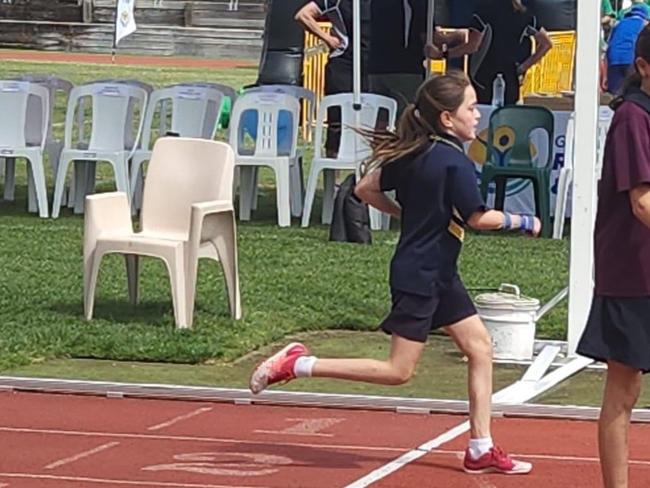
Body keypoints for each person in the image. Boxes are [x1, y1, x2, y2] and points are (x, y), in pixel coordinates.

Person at [250, 71, 541, 475]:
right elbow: (478, 218)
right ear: (446, 119)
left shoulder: (414, 153)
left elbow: (365, 188)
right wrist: (522, 221)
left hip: (439, 272)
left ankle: (480, 447)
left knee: (480, 348)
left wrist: (407, 215)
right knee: (398, 371)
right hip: (421, 275)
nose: (478, 116)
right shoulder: (453, 162)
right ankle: (298, 363)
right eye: (471, 109)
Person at [576, 25, 650, 488]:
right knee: (624, 390)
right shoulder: (632, 119)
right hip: (632, 273)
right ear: (643, 68)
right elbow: (641, 201)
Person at [368, 0, 475, 116]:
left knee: (380, 121)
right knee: (407, 119)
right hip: (405, 70)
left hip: (375, 68)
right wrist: (458, 36)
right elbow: (430, 38)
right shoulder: (418, 3)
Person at [295, 0, 370, 156]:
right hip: (343, 65)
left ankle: (365, 175)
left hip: (372, 65)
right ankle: (331, 176)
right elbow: (303, 15)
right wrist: (328, 39)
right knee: (337, 123)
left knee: (370, 121)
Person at [467, 0, 552, 105]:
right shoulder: (525, 13)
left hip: (482, 76)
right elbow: (546, 44)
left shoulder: (483, 10)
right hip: (510, 77)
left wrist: (447, 53)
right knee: (508, 116)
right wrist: (523, 67)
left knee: (483, 116)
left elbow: (472, 46)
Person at [606, 3, 649, 94]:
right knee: (632, 90)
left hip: (614, 59)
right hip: (630, 58)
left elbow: (610, 42)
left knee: (615, 91)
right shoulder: (644, 24)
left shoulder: (619, 23)